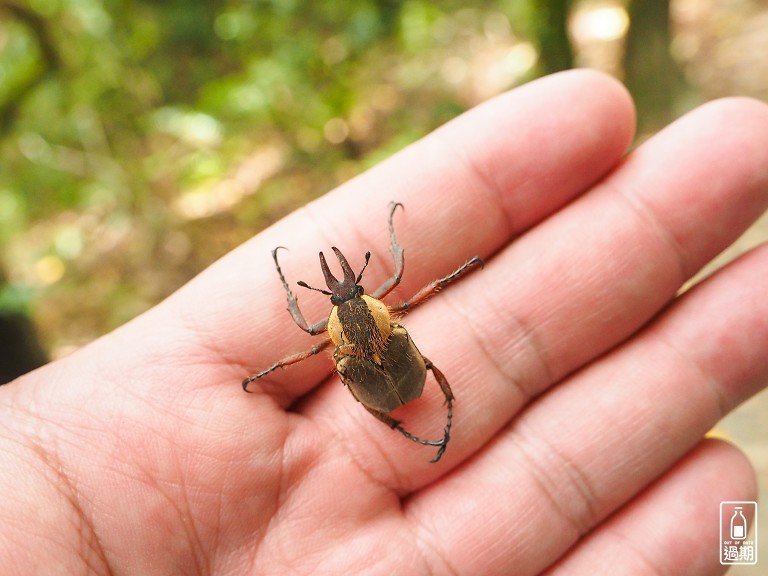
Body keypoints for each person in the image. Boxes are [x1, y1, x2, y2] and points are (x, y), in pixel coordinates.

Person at [1, 69, 767, 575]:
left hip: (389, 387)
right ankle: (426, 420)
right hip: (388, 387)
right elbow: (381, 286)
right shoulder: (366, 313)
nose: (344, 296)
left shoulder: (346, 319)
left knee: (411, 370)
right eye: (340, 295)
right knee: (410, 370)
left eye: (344, 292)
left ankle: (426, 419)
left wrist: (288, 331)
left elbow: (359, 297)